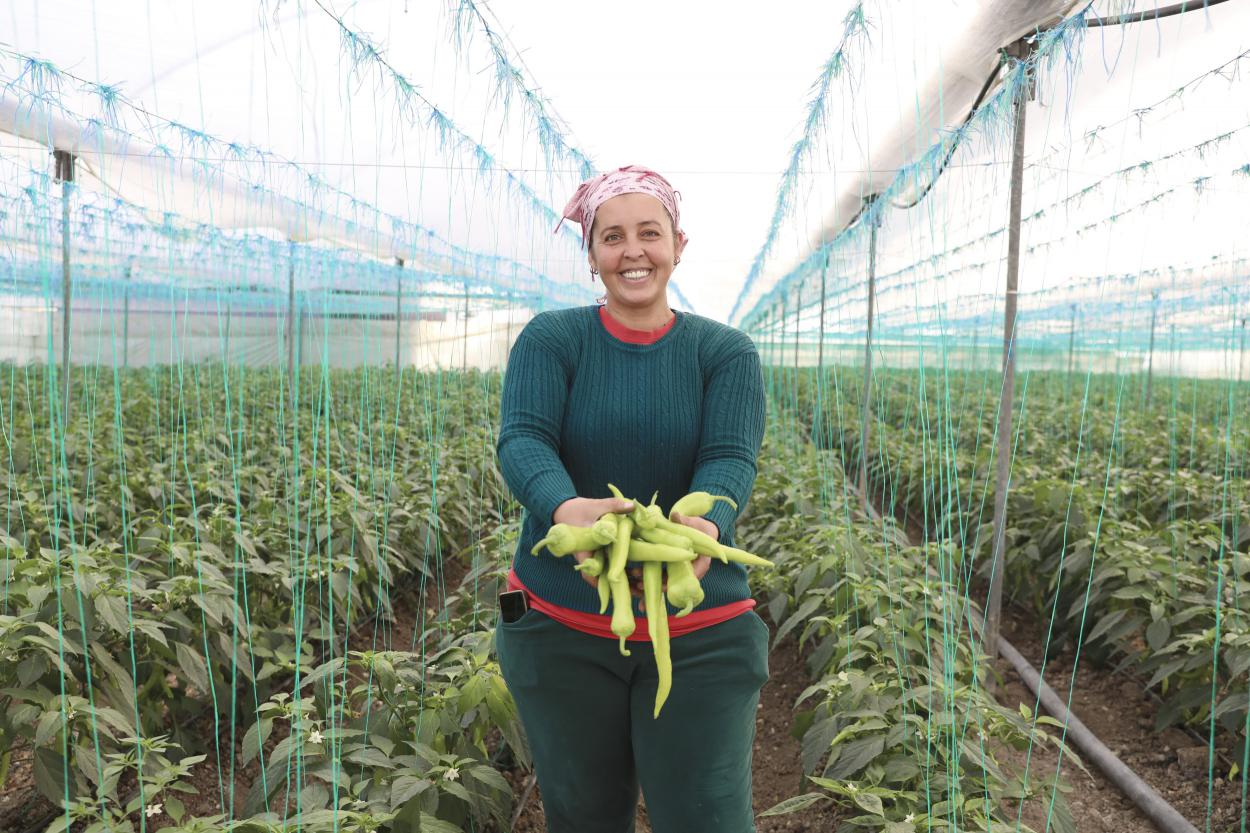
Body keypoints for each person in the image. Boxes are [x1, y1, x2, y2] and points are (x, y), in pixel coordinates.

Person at [494, 165, 768, 833]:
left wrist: (705, 521)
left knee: (708, 816)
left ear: (678, 243)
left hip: (700, 625)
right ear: (591, 256)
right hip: (560, 623)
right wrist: (567, 509)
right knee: (583, 814)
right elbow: (524, 438)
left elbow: (730, 455)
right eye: (611, 237)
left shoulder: (724, 352)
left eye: (649, 232)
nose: (632, 251)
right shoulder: (552, 339)